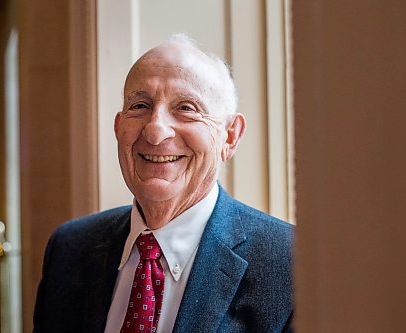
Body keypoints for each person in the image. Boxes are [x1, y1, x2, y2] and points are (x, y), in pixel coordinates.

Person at [33, 35, 293, 333]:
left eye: (186, 108)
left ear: (230, 136)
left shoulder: (289, 261)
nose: (155, 130)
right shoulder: (69, 248)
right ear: (118, 128)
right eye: (140, 105)